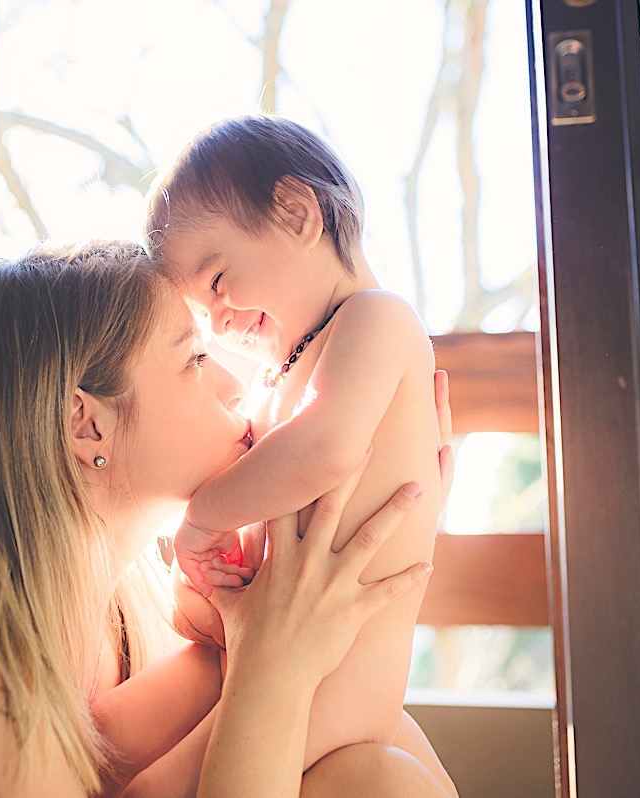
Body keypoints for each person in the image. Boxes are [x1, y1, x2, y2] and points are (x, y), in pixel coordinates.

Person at [0, 241, 453, 797]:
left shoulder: (114, 603)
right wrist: (272, 670)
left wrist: (391, 510)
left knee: (377, 768)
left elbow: (120, 760)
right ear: (88, 425)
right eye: (195, 360)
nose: (236, 382)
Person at [146, 114, 449, 774]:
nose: (218, 321)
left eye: (219, 282)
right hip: (285, 663)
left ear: (296, 213)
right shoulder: (283, 373)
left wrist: (204, 519)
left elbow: (327, 449)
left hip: (337, 684)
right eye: (201, 314)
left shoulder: (377, 319)